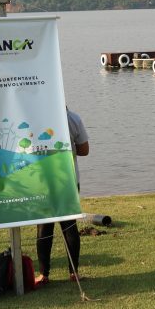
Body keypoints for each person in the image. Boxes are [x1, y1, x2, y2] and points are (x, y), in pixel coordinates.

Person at [35, 107, 89, 285]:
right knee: (69, 226)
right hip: (69, 181)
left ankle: (44, 274)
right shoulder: (73, 118)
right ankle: (74, 272)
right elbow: (84, 150)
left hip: (43, 182)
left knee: (44, 228)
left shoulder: (37, 117)